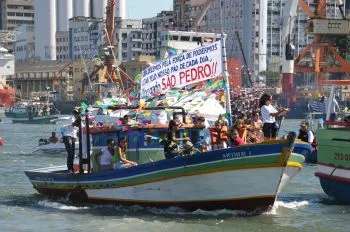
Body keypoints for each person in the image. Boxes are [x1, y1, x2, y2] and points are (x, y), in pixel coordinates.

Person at [62, 109, 81, 173]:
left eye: (77, 113)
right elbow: (73, 124)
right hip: (67, 136)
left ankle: (71, 168)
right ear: (73, 113)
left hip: (72, 137)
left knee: (72, 154)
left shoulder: (78, 119)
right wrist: (78, 120)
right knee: (70, 153)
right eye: (76, 113)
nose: (76, 114)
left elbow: (79, 128)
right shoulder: (71, 118)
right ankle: (69, 168)